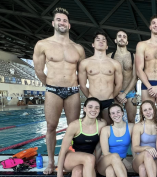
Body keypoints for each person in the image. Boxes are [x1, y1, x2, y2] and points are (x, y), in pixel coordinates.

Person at [33, 7, 86, 174]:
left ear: (69, 25)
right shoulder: (43, 45)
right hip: (53, 90)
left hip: (73, 91)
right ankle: (51, 163)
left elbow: (82, 73)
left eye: (64, 20)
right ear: (53, 23)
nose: (62, 22)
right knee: (51, 126)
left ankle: (71, 160)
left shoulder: (78, 48)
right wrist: (51, 85)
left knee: (74, 128)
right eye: (59, 20)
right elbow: (39, 70)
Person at [79, 31, 123, 125]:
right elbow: (82, 85)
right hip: (92, 101)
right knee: (91, 130)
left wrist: (111, 97)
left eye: (104, 40)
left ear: (107, 46)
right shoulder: (85, 63)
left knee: (107, 130)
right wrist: (91, 98)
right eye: (98, 40)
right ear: (93, 44)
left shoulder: (115, 64)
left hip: (109, 101)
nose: (101, 41)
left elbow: (119, 84)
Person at [57, 97, 106, 177]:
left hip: (88, 160)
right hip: (71, 158)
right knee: (89, 158)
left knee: (77, 172)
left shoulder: (101, 124)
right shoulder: (74, 125)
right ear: (85, 109)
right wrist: (59, 174)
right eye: (90, 107)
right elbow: (63, 150)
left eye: (97, 108)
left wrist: (95, 165)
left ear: (99, 110)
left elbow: (98, 147)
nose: (93, 110)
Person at [107, 30, 137, 123]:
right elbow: (107, 78)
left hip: (130, 93)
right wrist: (116, 94)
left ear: (127, 41)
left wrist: (124, 93)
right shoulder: (109, 57)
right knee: (115, 121)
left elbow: (135, 76)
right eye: (119, 36)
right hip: (115, 93)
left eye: (124, 37)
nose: (122, 38)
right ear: (115, 40)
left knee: (131, 121)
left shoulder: (134, 57)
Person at [97, 103, 134, 176]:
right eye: (113, 113)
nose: (116, 115)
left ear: (122, 113)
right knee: (114, 156)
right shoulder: (106, 130)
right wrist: (122, 160)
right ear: (110, 116)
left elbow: (134, 146)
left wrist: (135, 160)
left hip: (119, 164)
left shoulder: (131, 127)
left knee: (110, 170)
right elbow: (105, 152)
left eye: (118, 112)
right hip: (105, 161)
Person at [132, 100, 157, 177]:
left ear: (154, 109)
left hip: (156, 158)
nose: (148, 112)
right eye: (145, 110)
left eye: (150, 109)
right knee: (147, 154)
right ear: (142, 113)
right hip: (139, 159)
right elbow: (135, 148)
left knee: (143, 169)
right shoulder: (138, 126)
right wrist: (147, 148)